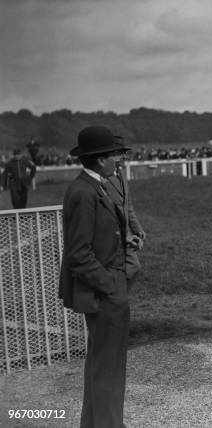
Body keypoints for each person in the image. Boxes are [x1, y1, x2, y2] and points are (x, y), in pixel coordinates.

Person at [59, 126, 131, 428]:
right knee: (108, 369)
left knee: (103, 366)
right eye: (115, 155)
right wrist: (111, 286)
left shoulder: (94, 186)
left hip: (106, 289)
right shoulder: (83, 192)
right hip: (103, 293)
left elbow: (97, 240)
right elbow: (78, 254)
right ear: (101, 160)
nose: (119, 160)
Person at [105, 136, 146, 287]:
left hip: (125, 233)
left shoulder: (121, 173)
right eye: (121, 152)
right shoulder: (103, 178)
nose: (124, 156)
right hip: (111, 234)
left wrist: (137, 228)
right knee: (122, 269)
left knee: (133, 267)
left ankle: (117, 298)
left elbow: (128, 205)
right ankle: (115, 299)